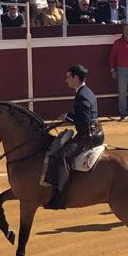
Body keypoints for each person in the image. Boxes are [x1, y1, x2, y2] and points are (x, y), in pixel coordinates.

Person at [45, 65, 101, 210]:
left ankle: (61, 195)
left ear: (76, 78)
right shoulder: (86, 92)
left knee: (60, 156)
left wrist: (68, 117)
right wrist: (68, 116)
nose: (66, 80)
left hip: (86, 137)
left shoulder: (81, 96)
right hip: (94, 133)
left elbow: (83, 122)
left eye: (68, 77)